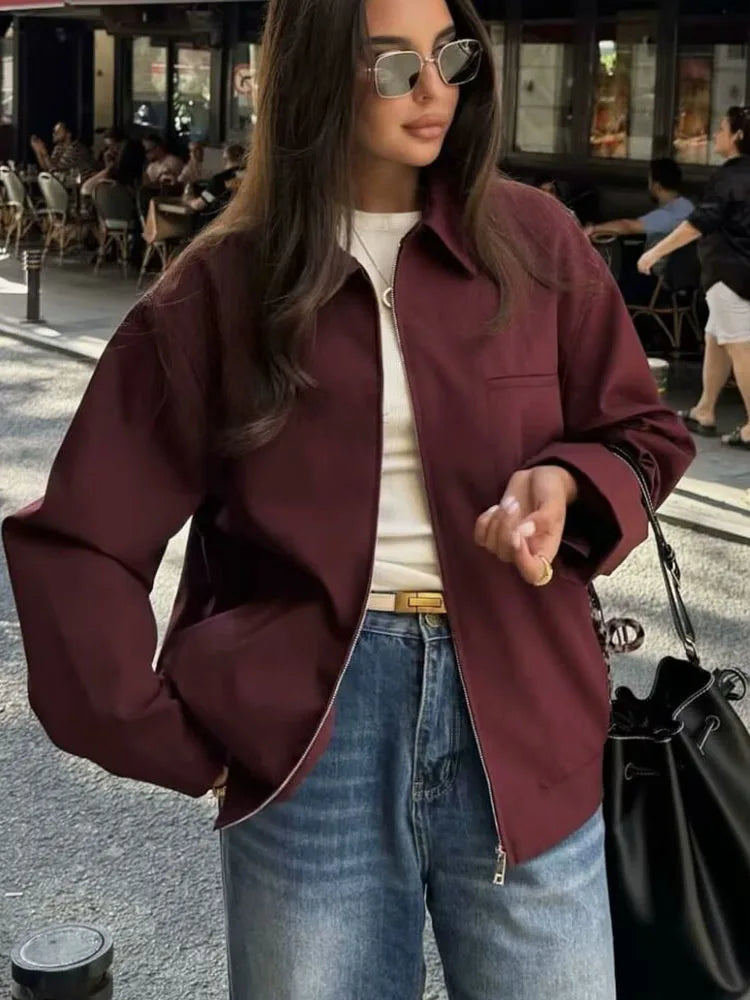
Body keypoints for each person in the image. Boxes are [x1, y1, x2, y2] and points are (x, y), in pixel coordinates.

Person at [2, 1, 694, 998]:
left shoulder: (535, 242)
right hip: (313, 731)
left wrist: (567, 484)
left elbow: (641, 431)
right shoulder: (226, 287)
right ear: (317, 77)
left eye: (450, 55)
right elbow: (82, 539)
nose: (434, 91)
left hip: (524, 708)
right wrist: (167, 736)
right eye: (393, 67)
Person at [639, 107, 750, 449]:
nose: (715, 134)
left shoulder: (729, 177)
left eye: (721, 128)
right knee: (716, 338)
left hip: (729, 271)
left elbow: (698, 223)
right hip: (739, 271)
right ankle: (705, 409)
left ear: (738, 136)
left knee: (739, 345)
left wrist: (655, 253)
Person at [584, 158, 694, 250]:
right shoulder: (686, 206)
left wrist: (593, 229)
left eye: (650, 181)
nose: (648, 186)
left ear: (656, 186)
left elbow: (627, 226)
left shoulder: (667, 215)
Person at [184, 143, 245, 223]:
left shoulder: (219, 180)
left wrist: (188, 200)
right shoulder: (252, 177)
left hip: (221, 224)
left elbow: (199, 205)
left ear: (225, 159)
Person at [30, 121, 95, 177]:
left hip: (82, 183)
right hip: (68, 183)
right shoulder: (58, 148)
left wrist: (44, 152)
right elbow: (47, 168)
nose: (54, 134)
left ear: (68, 134)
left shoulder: (76, 148)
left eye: (58, 131)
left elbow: (54, 169)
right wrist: (38, 151)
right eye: (54, 131)